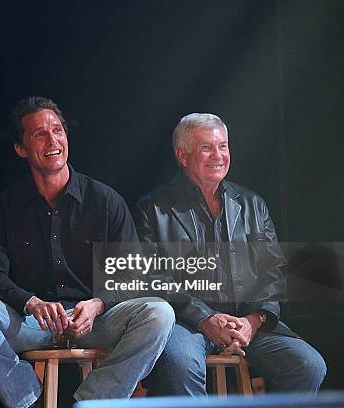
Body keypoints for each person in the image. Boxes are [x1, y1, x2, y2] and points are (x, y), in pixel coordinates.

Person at [0, 96, 175, 407]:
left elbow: (131, 273)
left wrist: (97, 304)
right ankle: (29, 399)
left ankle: (93, 402)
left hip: (95, 321)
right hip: (32, 323)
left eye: (57, 130)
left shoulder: (105, 200)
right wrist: (30, 302)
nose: (52, 140)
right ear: (20, 148)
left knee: (159, 312)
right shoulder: (6, 206)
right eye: (40, 134)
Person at [135, 113, 326, 395]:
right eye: (206, 148)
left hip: (245, 322)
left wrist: (253, 321)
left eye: (223, 146)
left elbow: (273, 271)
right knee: (181, 364)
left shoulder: (252, 204)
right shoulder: (152, 208)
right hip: (187, 323)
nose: (218, 155)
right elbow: (152, 278)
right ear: (182, 155)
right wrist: (205, 318)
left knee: (308, 366)